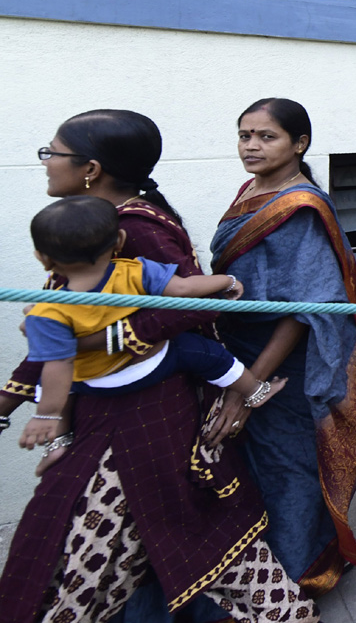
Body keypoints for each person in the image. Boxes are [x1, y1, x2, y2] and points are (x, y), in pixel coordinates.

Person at [0, 109, 316, 623]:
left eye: (51, 152)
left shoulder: (132, 229)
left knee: (78, 551)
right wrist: (14, 399)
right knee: (157, 544)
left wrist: (115, 337)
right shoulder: (88, 230)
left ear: (90, 168)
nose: (46, 162)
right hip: (114, 414)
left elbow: (192, 303)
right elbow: (57, 335)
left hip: (141, 421)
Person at [206, 98, 356, 598]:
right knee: (252, 471)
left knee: (287, 470)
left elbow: (303, 308)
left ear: (300, 144)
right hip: (236, 352)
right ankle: (261, 569)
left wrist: (247, 388)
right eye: (244, 134)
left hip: (279, 365)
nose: (251, 145)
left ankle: (297, 581)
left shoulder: (301, 207)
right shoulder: (253, 190)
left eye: (265, 136)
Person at [19, 196, 284, 475]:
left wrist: (45, 415)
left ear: (43, 258)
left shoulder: (46, 311)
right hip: (142, 368)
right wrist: (227, 281)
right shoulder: (136, 271)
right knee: (202, 351)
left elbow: (58, 366)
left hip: (89, 381)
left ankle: (58, 441)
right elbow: (184, 290)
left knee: (51, 369)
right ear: (119, 241)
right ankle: (255, 390)